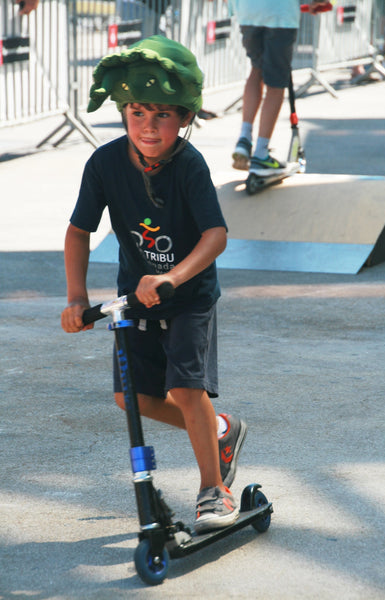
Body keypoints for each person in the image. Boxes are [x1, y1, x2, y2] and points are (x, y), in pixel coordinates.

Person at [61, 36, 247, 534]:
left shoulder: (188, 166)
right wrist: (76, 297)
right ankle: (219, 430)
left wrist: (172, 275)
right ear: (123, 113)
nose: (148, 125)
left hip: (188, 299)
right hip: (133, 299)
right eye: (138, 112)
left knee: (186, 389)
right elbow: (79, 231)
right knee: (132, 399)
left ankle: (214, 489)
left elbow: (216, 235)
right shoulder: (103, 164)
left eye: (161, 114)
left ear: (183, 119)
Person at [231, 0, 332, 176]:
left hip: (248, 12)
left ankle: (244, 139)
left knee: (256, 69)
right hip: (279, 13)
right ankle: (261, 153)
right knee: (275, 84)